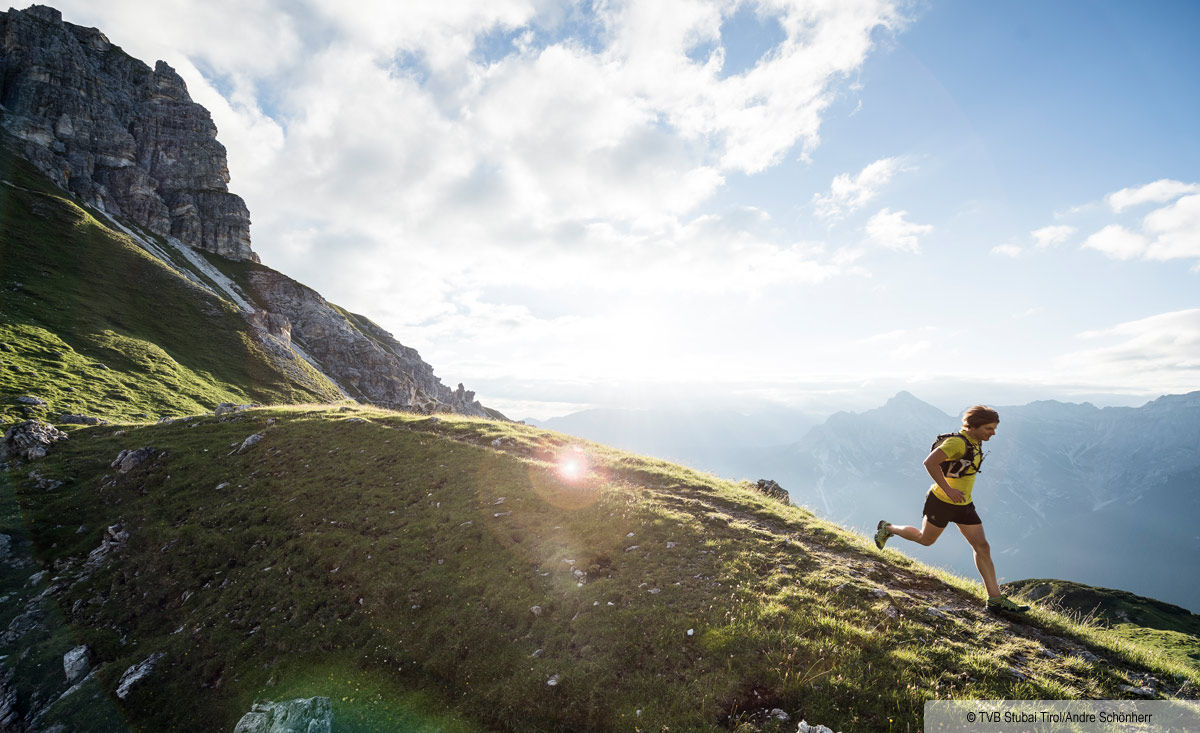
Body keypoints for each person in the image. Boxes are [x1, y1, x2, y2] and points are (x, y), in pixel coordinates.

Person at [873, 405, 1030, 614]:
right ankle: (888, 528)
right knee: (925, 540)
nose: (993, 433)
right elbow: (929, 463)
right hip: (941, 502)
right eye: (989, 429)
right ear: (973, 427)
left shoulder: (975, 441)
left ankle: (995, 599)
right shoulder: (956, 443)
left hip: (964, 504)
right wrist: (947, 490)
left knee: (982, 547)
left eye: (994, 428)